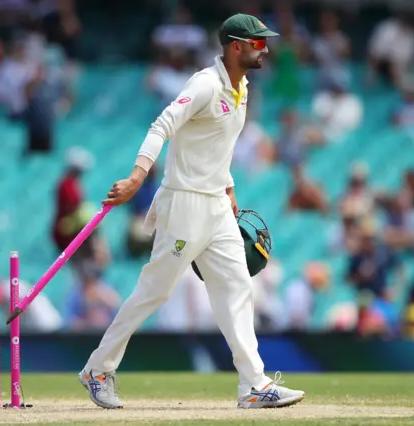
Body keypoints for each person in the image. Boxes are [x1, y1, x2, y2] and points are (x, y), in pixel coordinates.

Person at [78, 14, 305, 410]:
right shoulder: (204, 84)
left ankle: (253, 385)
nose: (264, 49)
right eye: (257, 43)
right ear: (236, 45)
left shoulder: (242, 87)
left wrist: (229, 185)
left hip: (216, 204)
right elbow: (161, 126)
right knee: (156, 290)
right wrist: (136, 178)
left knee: (238, 287)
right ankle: (98, 369)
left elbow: (217, 146)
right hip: (184, 202)